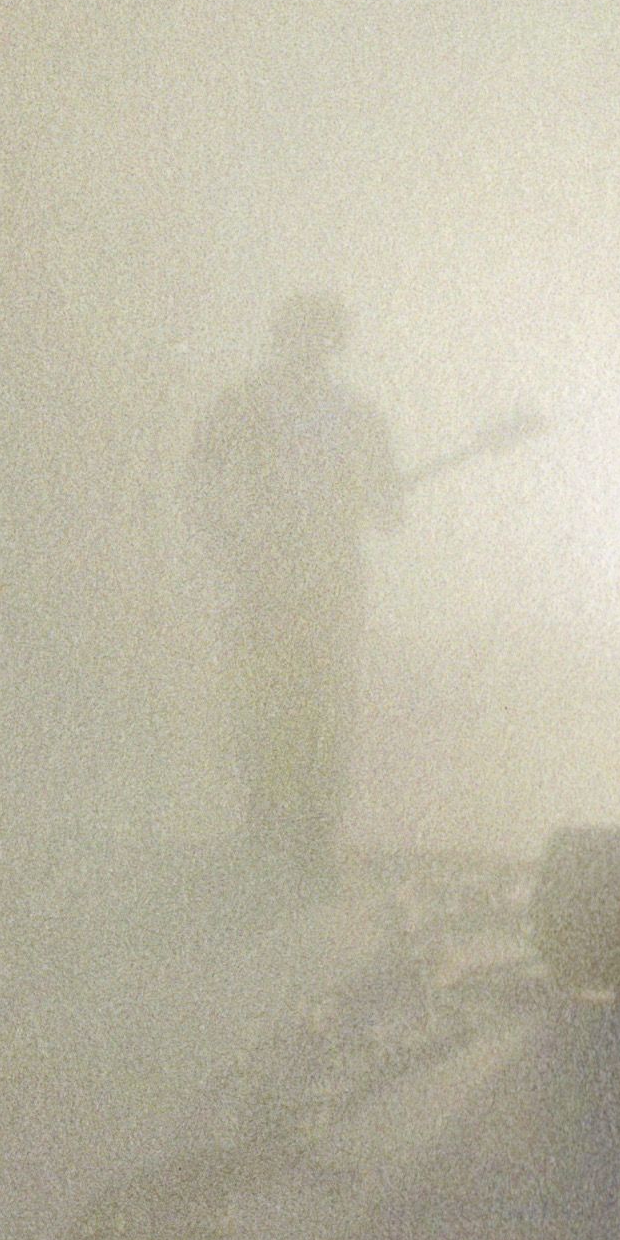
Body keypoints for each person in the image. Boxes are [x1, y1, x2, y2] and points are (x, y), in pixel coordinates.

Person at [185, 293, 401, 884]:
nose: (310, 349)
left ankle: (310, 834)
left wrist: (377, 496)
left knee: (320, 704)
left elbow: (387, 509)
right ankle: (268, 828)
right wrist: (232, 543)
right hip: (268, 580)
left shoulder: (353, 417)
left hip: (323, 583)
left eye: (318, 337)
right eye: (304, 335)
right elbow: (200, 484)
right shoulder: (247, 408)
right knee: (267, 699)